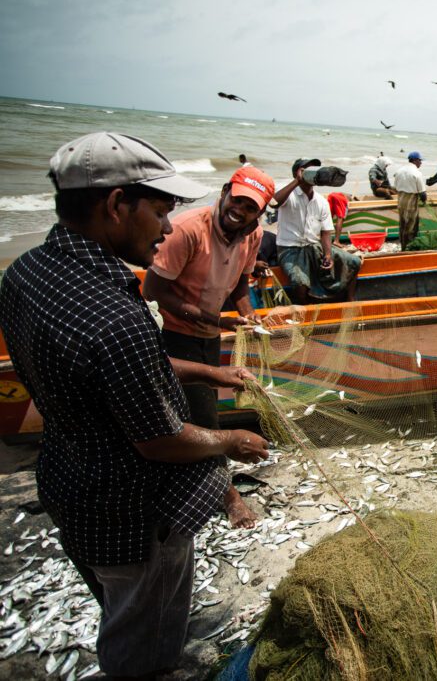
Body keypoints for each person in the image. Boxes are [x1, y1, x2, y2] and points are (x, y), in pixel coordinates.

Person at [0, 132, 270, 677]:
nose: (168, 227)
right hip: (132, 513)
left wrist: (211, 370)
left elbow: (122, 367)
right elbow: (162, 439)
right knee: (139, 632)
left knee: (122, 604)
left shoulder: (25, 273)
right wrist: (229, 440)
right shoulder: (116, 314)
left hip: (68, 482)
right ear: (116, 204)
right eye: (159, 210)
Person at [144, 165, 276, 530]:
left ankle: (190, 480)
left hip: (208, 333)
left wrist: (249, 315)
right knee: (201, 417)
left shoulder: (253, 234)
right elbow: (153, 291)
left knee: (195, 410)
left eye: (251, 207)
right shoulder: (187, 229)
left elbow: (238, 287)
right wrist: (216, 320)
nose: (241, 211)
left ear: (260, 213)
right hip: (171, 333)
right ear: (223, 193)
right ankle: (228, 497)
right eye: (237, 200)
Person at [273, 158, 361, 303]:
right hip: (290, 250)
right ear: (298, 172)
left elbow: (326, 232)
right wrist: (297, 181)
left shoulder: (321, 201)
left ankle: (350, 299)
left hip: (314, 246)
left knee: (353, 262)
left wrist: (328, 254)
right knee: (300, 283)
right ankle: (305, 309)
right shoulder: (289, 194)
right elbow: (274, 203)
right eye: (308, 169)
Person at [394, 151, 428, 250]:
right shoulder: (417, 173)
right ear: (415, 160)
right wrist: (424, 201)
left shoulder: (399, 171)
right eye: (420, 161)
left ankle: (403, 246)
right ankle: (410, 246)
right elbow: (422, 193)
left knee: (403, 224)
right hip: (411, 202)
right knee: (411, 225)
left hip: (401, 201)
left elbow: (395, 187)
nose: (421, 163)